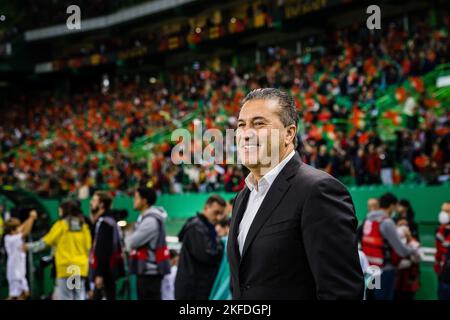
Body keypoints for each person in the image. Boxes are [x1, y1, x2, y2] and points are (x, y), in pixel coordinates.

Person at [228, 88, 364, 300]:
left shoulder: (319, 190)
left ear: (289, 134)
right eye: (241, 125)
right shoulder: (242, 198)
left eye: (258, 123)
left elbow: (341, 292)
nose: (246, 133)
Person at [25, 199, 91, 300]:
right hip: (78, 268)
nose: (59, 212)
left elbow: (45, 243)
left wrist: (27, 247)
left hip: (67, 268)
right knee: (78, 297)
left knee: (66, 297)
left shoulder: (61, 225)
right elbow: (88, 247)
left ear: (65, 211)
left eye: (60, 210)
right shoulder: (84, 227)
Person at [361, 192, 417, 300]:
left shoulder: (368, 219)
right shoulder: (386, 222)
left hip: (371, 268)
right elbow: (401, 250)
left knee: (373, 296)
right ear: (391, 205)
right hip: (384, 270)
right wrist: (413, 248)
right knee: (384, 297)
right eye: (395, 206)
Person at [175, 195, 226, 300]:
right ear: (206, 208)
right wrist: (222, 248)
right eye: (216, 213)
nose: (218, 218)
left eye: (221, 214)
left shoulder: (206, 227)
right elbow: (207, 255)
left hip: (197, 286)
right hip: (192, 289)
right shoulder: (196, 228)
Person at [125, 187, 170, 300]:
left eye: (136, 198)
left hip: (150, 274)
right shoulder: (145, 219)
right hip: (147, 273)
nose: (133, 201)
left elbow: (131, 243)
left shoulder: (150, 221)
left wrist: (128, 233)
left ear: (144, 201)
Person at [89, 191, 125, 300]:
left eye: (94, 200)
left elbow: (103, 250)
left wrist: (99, 274)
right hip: (107, 271)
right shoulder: (108, 221)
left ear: (101, 204)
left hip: (105, 273)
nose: (91, 203)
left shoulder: (105, 223)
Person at [3, 210, 37, 299]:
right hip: (15, 272)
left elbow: (21, 228)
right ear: (12, 230)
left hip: (19, 271)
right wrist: (32, 218)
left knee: (23, 294)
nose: (20, 228)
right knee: (14, 296)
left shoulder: (12, 235)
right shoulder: (11, 239)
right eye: (18, 227)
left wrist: (29, 218)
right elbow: (26, 232)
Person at [394, 217, 420, 300]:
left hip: (408, 281)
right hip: (394, 281)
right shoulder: (391, 241)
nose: (403, 227)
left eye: (405, 225)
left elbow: (419, 257)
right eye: (400, 225)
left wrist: (410, 239)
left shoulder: (413, 241)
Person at [209, 218, 232, 300]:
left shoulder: (225, 241)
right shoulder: (224, 242)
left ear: (226, 228)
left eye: (219, 232)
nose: (218, 235)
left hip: (226, 276)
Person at [434, 201, 450, 300]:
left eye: (447, 211)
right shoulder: (440, 230)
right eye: (442, 210)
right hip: (443, 276)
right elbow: (438, 253)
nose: (443, 214)